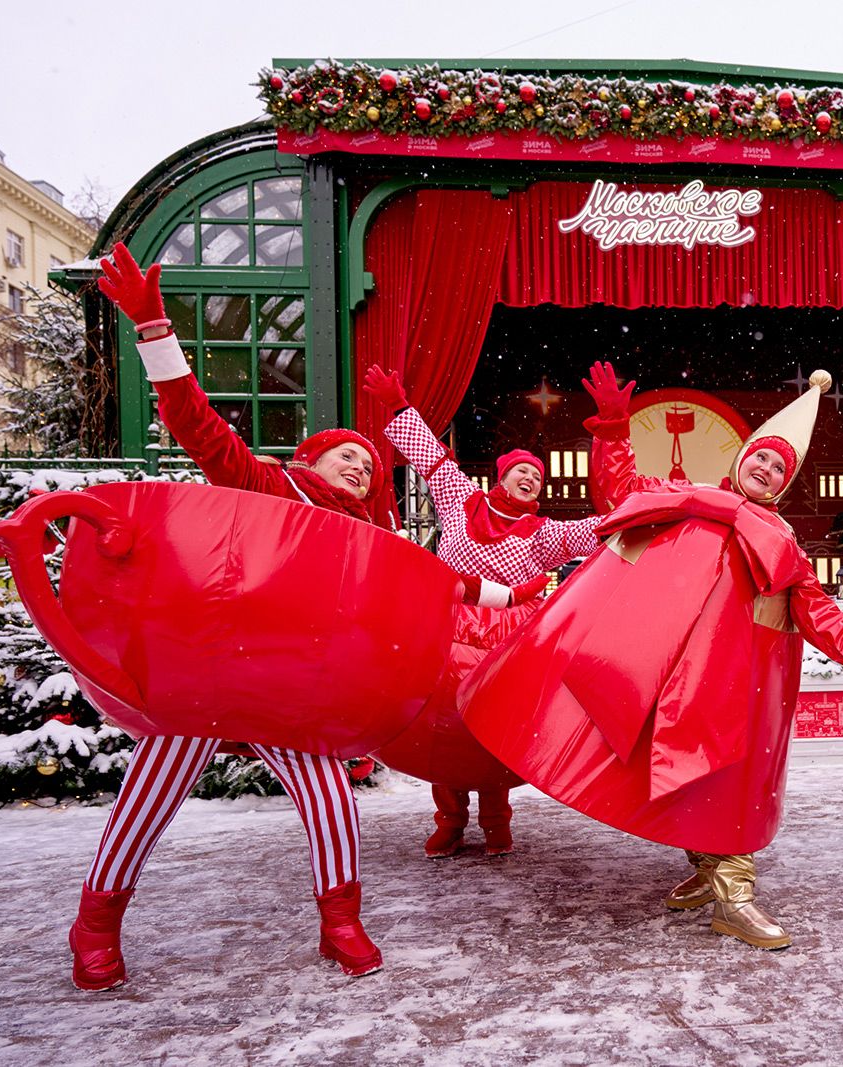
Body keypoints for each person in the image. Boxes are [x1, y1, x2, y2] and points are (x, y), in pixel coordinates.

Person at [71, 244, 514, 991]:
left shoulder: (373, 544)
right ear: (313, 459)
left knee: (330, 797)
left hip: (294, 695)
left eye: (369, 465)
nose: (361, 468)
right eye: (348, 456)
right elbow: (196, 423)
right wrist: (154, 329)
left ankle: (340, 919)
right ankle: (97, 922)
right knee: (148, 798)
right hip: (209, 676)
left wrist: (523, 597)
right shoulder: (270, 487)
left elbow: (443, 586)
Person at [458, 363, 843, 950]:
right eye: (761, 456)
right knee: (672, 771)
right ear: (741, 457)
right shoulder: (683, 498)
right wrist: (613, 430)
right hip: (659, 666)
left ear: (784, 483)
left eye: (779, 466)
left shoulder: (783, 544)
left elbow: (817, 609)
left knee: (727, 780)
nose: (766, 467)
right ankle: (706, 869)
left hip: (732, 682)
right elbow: (619, 489)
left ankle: (736, 898)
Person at [363, 367, 603, 859]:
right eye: (522, 470)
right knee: (441, 723)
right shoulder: (460, 500)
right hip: (449, 625)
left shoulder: (543, 532)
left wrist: (647, 510)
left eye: (537, 476)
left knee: (493, 728)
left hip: (513, 638)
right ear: (502, 474)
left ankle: (496, 820)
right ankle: (449, 821)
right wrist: (399, 408)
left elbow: (596, 531)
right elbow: (432, 460)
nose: (530, 477)